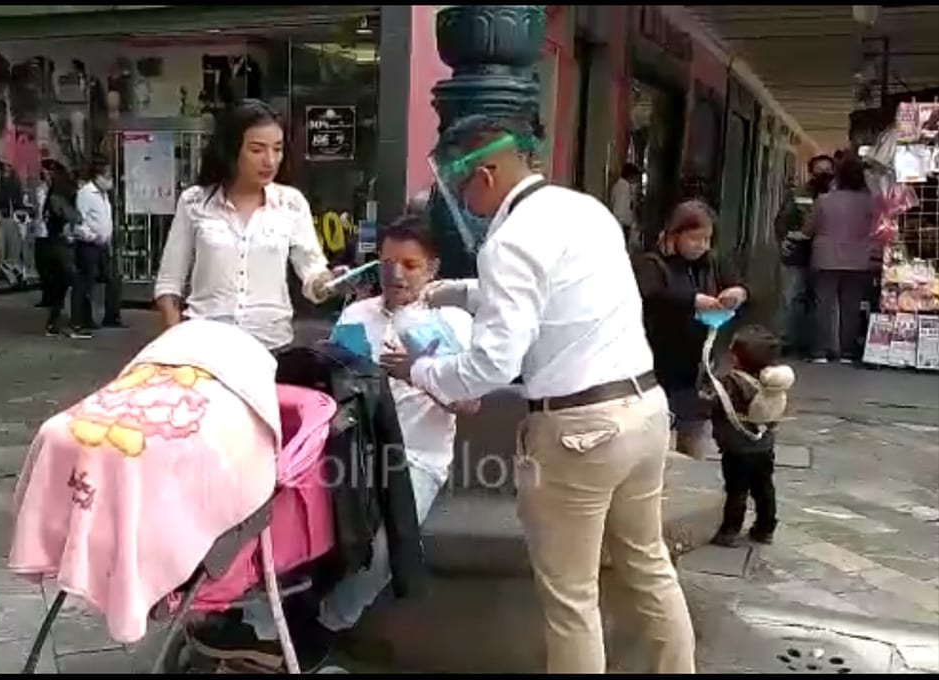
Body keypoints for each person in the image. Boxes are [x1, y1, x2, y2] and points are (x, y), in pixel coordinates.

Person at [382, 115, 695, 674]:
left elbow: (490, 365)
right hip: (644, 411)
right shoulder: (585, 210)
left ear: (484, 175)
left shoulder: (508, 241)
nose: (463, 204)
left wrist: (420, 370)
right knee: (649, 567)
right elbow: (554, 296)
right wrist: (460, 292)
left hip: (579, 432)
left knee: (572, 599)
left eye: (460, 189)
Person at [190, 216, 480, 671]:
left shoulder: (453, 322)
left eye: (410, 265)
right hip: (349, 447)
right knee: (286, 513)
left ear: (433, 269)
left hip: (415, 457)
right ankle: (254, 621)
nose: (396, 274)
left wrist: (418, 373)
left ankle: (323, 627)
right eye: (387, 263)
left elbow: (470, 404)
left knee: (384, 551)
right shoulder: (358, 314)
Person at [154, 99, 346, 353]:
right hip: (204, 347)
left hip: (270, 346)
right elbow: (169, 283)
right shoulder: (195, 202)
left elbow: (312, 273)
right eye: (257, 150)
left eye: (277, 149)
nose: (270, 161)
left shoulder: (291, 203)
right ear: (231, 149)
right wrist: (175, 341)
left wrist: (329, 283)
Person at [633, 200, 748, 460]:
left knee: (694, 444)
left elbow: (740, 285)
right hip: (657, 367)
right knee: (654, 450)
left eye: (707, 239)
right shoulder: (651, 262)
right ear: (675, 234)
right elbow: (655, 293)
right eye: (695, 239)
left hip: (697, 372)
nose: (702, 246)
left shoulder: (712, 263)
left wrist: (737, 293)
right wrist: (695, 300)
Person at [707, 325, 793, 547]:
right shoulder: (774, 384)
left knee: (736, 490)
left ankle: (729, 530)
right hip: (764, 447)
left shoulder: (731, 382)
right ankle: (765, 528)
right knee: (764, 488)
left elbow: (711, 402)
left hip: (736, 449)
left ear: (735, 357)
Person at [804, 154, 877, 364]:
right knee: (851, 306)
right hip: (858, 259)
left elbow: (809, 229)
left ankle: (820, 352)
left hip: (826, 258)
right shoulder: (869, 203)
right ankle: (847, 352)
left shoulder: (824, 200)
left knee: (823, 305)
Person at [774, 155, 834, 357]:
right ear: (811, 172)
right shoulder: (797, 194)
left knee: (818, 301)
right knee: (791, 298)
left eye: (828, 170)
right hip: (798, 254)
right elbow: (782, 221)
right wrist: (783, 240)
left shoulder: (835, 196)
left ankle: (812, 342)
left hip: (824, 257)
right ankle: (786, 340)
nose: (824, 175)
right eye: (820, 170)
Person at [70, 158, 123, 337]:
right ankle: (79, 320)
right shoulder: (86, 194)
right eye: (107, 176)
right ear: (98, 176)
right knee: (85, 282)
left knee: (113, 278)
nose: (110, 180)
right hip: (88, 244)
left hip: (103, 244)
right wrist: (91, 236)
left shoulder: (103, 195)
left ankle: (112, 316)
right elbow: (79, 221)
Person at [39, 161, 82, 337]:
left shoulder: (57, 194)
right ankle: (72, 322)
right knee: (70, 281)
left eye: (48, 173)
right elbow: (72, 216)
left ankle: (54, 321)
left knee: (60, 284)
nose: (45, 177)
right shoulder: (58, 194)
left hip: (56, 241)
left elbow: (59, 214)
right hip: (61, 243)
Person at [611, 162, 641, 249]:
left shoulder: (618, 186)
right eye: (635, 177)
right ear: (631, 176)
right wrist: (631, 223)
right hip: (621, 226)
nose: (636, 181)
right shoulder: (624, 188)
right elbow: (620, 213)